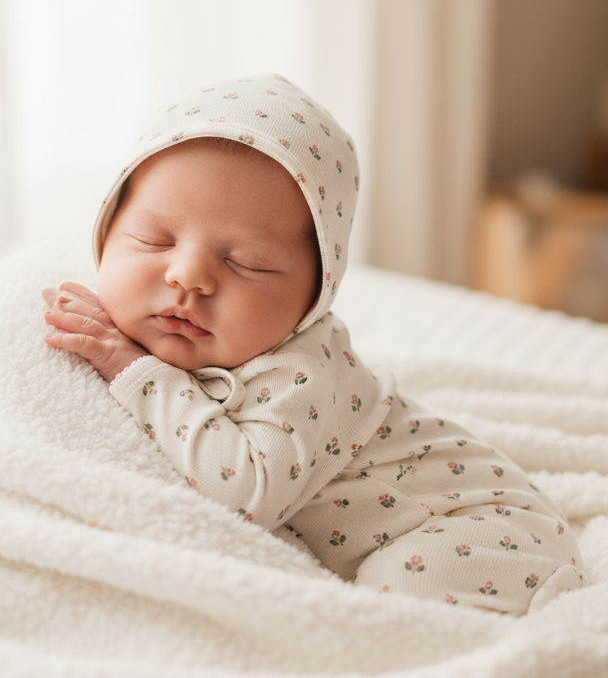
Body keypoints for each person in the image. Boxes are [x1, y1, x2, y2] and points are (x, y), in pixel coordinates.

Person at [43, 73, 587, 613]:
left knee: (399, 596)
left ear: (315, 295)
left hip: (479, 528)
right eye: (152, 240)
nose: (188, 275)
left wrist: (131, 367)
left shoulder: (301, 371)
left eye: (245, 263)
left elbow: (244, 493)